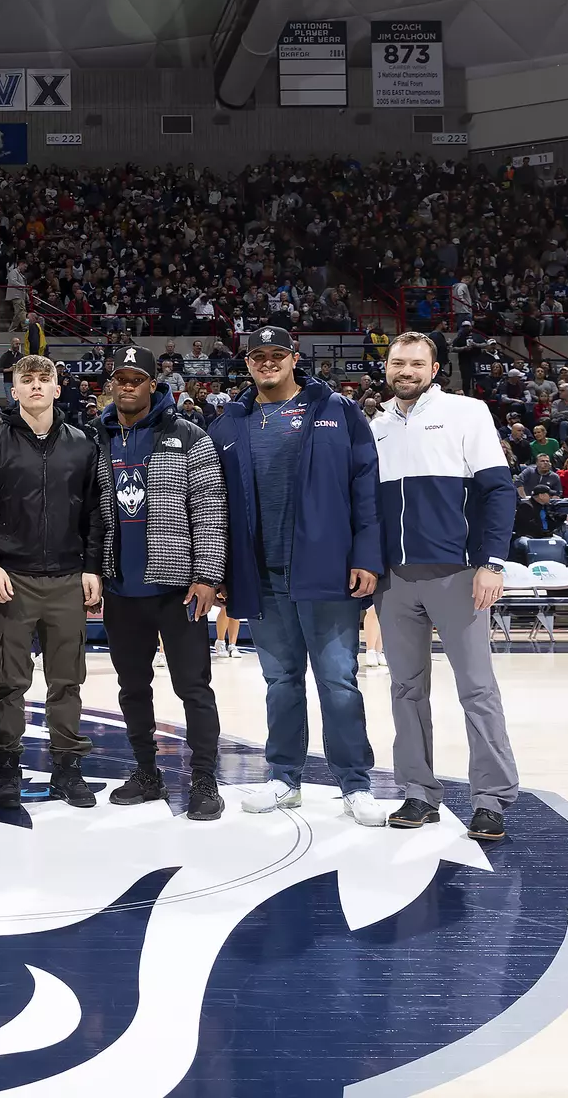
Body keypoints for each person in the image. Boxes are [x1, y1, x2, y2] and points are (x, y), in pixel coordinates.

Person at [209, 326, 386, 826]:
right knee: (280, 681)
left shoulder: (336, 410)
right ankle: (284, 777)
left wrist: (366, 556)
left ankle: (356, 784)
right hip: (262, 573)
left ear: (293, 358)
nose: (267, 363)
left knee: (338, 681)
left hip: (326, 570)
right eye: (257, 356)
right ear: (247, 363)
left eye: (276, 355)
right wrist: (221, 570)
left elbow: (364, 489)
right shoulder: (229, 423)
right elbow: (216, 508)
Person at [369, 332, 518, 840]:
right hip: (395, 579)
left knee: (476, 689)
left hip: (458, 574)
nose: (405, 371)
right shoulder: (376, 425)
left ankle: (491, 798)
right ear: (386, 368)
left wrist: (492, 563)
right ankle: (417, 792)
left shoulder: (466, 412)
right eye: (397, 363)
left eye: (416, 363)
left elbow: (498, 490)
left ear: (434, 369)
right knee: (405, 689)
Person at [92, 345, 228, 821]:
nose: (128, 386)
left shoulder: (188, 435)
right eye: (120, 378)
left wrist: (208, 576)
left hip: (178, 591)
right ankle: (147, 773)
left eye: (137, 378)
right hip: (121, 590)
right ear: (112, 384)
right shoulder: (98, 438)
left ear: (154, 384)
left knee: (194, 688)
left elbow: (210, 510)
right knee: (132, 688)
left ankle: (205, 779)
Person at [0, 354, 103, 808]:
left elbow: (95, 516)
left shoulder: (83, 445)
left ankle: (68, 767)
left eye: (46, 378)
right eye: (28, 380)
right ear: (15, 390)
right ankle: (7, 767)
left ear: (59, 389)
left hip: (67, 578)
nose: (38, 386)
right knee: (9, 682)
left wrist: (92, 567)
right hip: (13, 579)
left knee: (68, 682)